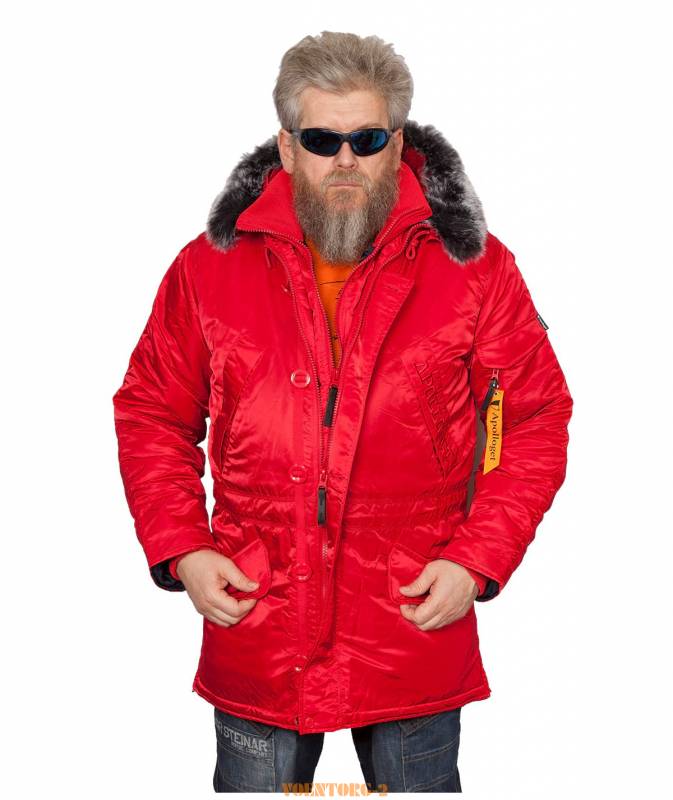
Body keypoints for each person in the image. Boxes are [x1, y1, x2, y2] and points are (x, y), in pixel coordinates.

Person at [112, 31, 573, 793]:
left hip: (410, 618)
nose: (345, 159)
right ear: (287, 147)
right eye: (322, 140)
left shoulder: (475, 269)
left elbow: (525, 421)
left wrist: (476, 560)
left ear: (399, 144)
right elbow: (152, 413)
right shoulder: (207, 268)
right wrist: (183, 547)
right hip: (258, 616)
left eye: (368, 138)